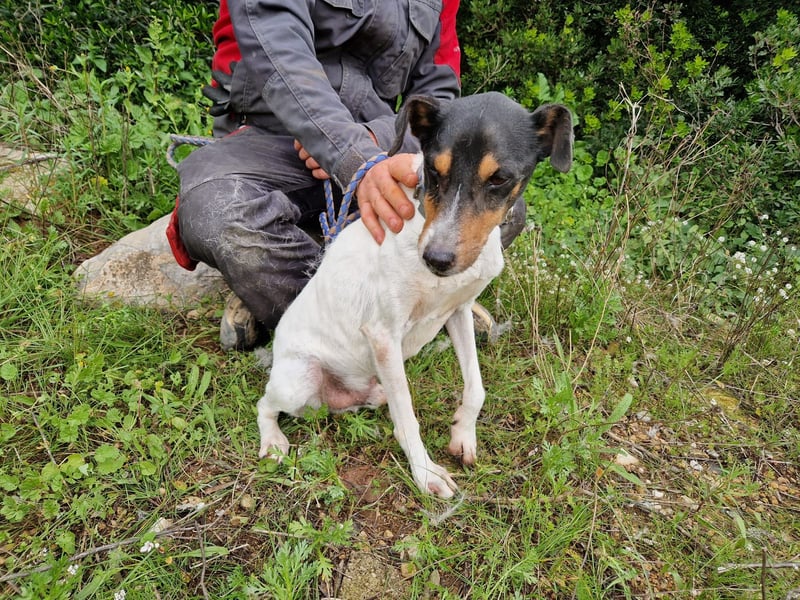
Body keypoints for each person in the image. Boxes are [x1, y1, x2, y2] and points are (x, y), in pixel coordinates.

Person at [168, 0, 523, 351]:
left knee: (501, 208)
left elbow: (437, 100)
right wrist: (346, 149)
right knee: (215, 209)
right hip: (267, 141)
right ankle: (391, 316)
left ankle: (275, 288)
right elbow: (279, 55)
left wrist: (375, 138)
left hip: (380, 144)